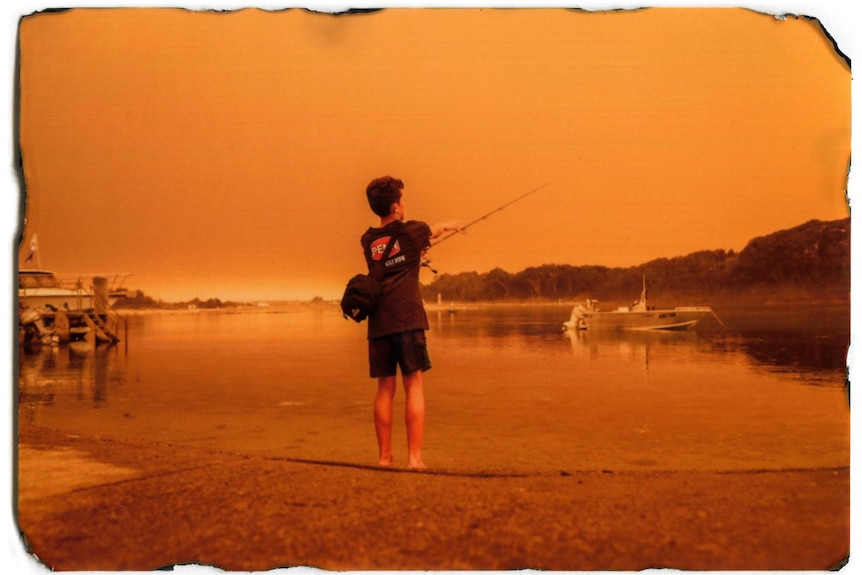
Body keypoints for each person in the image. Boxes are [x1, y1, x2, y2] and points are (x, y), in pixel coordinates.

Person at [360, 176, 460, 469]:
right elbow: (435, 230)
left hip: (379, 323)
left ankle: (384, 457)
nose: (404, 205)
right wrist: (449, 224)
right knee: (414, 385)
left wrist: (415, 253)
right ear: (395, 206)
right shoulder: (413, 231)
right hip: (407, 318)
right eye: (402, 200)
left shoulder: (367, 240)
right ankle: (414, 459)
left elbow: (390, 258)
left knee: (384, 389)